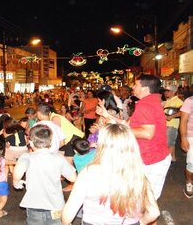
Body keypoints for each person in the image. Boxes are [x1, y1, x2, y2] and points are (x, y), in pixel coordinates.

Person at [62, 124, 160, 225]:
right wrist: (141, 222)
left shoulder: (88, 172)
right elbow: (154, 212)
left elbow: (68, 212)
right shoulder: (137, 173)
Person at [97, 75, 171, 203]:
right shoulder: (151, 101)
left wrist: (117, 131)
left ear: (145, 88)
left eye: (136, 85)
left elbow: (147, 133)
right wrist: (106, 114)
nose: (132, 87)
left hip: (152, 159)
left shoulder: (145, 105)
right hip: (148, 157)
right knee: (141, 199)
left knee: (147, 203)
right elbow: (127, 123)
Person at [13, 124, 77, 225]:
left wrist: (16, 182)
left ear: (30, 143)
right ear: (50, 142)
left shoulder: (27, 157)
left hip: (34, 207)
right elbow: (73, 178)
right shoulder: (58, 158)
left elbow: (19, 168)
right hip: (56, 207)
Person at [163, 85, 183, 164]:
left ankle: (170, 161)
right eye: (165, 91)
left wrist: (172, 116)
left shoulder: (178, 101)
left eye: (168, 91)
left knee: (169, 143)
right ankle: (172, 159)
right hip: (166, 124)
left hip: (172, 125)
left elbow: (183, 112)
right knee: (170, 143)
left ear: (173, 92)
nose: (166, 93)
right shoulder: (168, 100)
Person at [180, 96, 193, 198]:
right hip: (192, 136)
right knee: (192, 164)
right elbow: (183, 121)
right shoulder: (189, 101)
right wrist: (183, 139)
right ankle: (189, 182)